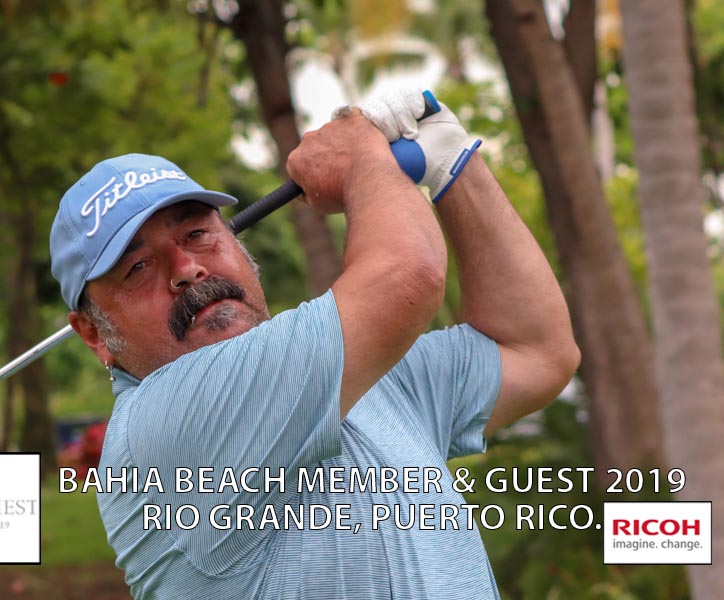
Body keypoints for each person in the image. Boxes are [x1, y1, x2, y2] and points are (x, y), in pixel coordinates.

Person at [49, 88, 580, 599]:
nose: (186, 268)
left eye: (197, 235)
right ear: (94, 334)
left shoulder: (364, 373)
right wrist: (361, 155)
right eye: (138, 267)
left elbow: (536, 351)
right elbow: (407, 275)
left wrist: (453, 165)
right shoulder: (159, 428)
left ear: (236, 242)